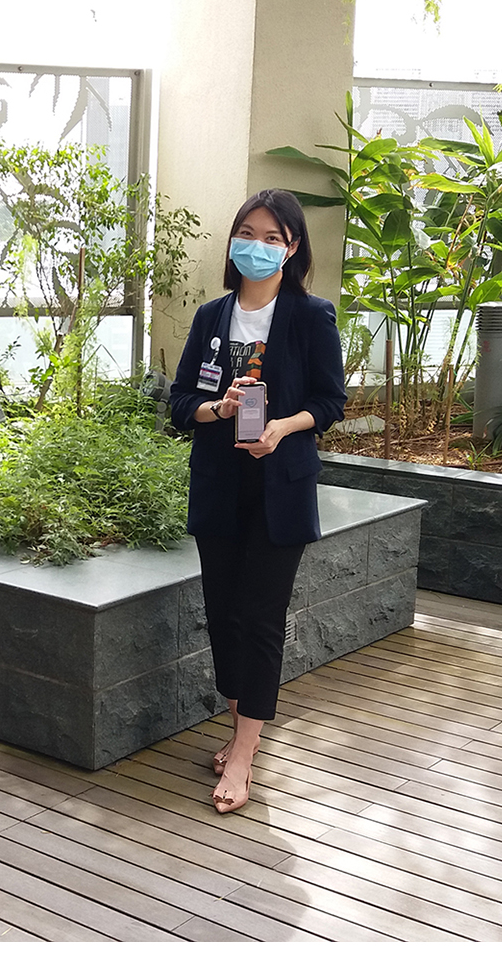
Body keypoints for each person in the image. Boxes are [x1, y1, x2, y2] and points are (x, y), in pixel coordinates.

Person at [170, 189, 347, 813]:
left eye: (273, 237)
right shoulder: (211, 317)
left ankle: (244, 752)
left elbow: (332, 403)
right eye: (248, 233)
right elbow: (178, 406)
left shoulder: (311, 315)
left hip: (281, 490)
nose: (259, 245)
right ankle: (241, 726)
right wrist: (218, 408)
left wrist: (283, 425)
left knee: (261, 619)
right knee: (223, 615)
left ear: (292, 247)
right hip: (219, 485)